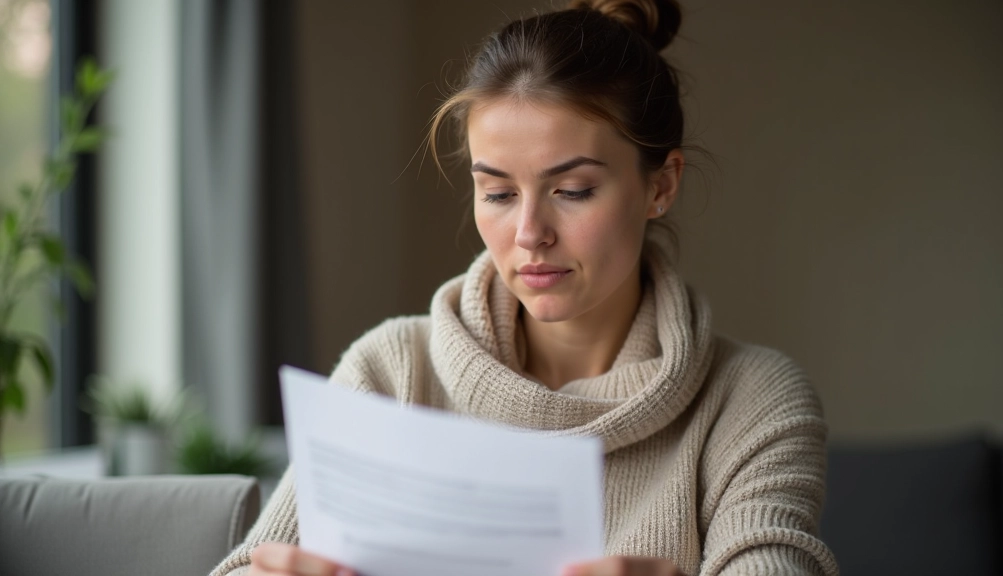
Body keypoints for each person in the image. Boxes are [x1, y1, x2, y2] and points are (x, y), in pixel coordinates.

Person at [211, 1, 839, 575]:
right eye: (499, 194)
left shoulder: (751, 400)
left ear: (660, 185)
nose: (530, 232)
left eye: (573, 191)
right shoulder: (392, 370)